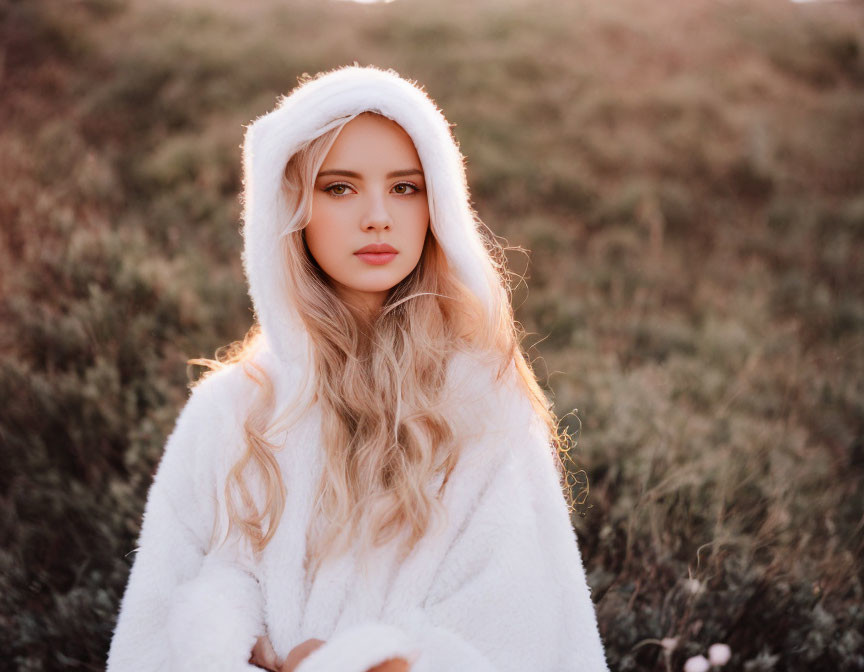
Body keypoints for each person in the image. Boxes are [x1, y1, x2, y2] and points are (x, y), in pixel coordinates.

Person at [105, 63, 609, 672]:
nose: (378, 216)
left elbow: (518, 635)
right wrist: (232, 642)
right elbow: (153, 633)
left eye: (406, 187)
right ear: (291, 206)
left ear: (438, 203)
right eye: (339, 187)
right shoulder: (230, 409)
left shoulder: (482, 404)